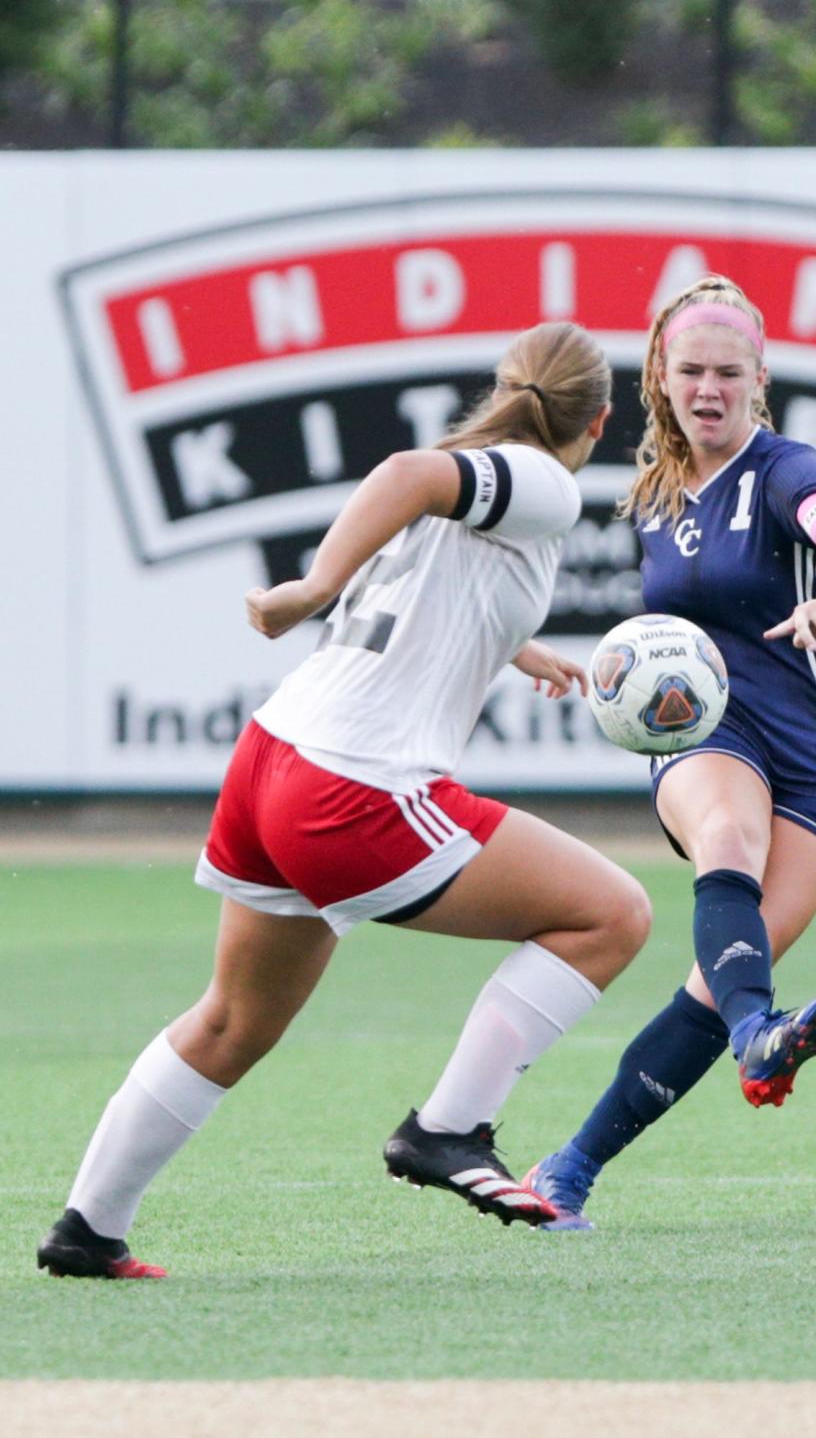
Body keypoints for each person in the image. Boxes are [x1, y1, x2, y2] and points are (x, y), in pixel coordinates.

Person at [37, 321, 653, 1278]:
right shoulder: (545, 479)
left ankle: (88, 1229)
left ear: (503, 386)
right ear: (601, 421)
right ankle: (450, 1128)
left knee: (234, 1020)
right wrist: (312, 587)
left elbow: (432, 575)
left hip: (271, 761)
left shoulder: (482, 470)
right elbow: (408, 476)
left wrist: (518, 648)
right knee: (612, 914)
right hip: (353, 788)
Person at [525, 275, 816, 1230]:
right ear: (662, 378)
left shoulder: (785, 468)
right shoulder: (653, 495)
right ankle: (760, 1032)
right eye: (692, 370)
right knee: (726, 833)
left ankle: (566, 1169)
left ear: (760, 379)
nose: (710, 387)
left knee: (717, 983)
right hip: (705, 733)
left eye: (730, 371)